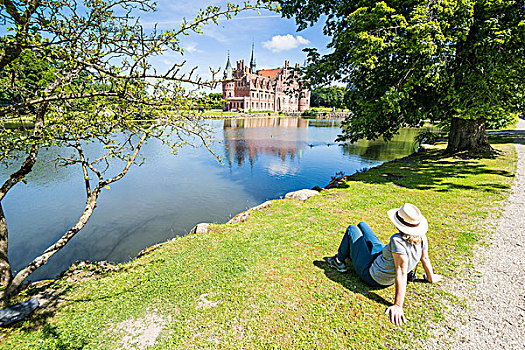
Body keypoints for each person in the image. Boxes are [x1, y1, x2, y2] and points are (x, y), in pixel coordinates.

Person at [326, 203, 442, 325]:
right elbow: (425, 258)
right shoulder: (421, 236)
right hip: (381, 257)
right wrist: (430, 277)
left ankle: (338, 262)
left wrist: (398, 305)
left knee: (352, 229)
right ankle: (353, 251)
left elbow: (401, 272)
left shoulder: (397, 241)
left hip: (372, 275)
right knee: (362, 225)